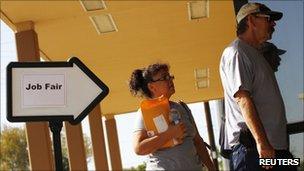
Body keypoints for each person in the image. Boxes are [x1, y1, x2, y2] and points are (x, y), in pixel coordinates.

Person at [219, 2, 296, 171]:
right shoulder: (237, 52)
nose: (273, 24)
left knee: (293, 163)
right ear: (251, 20)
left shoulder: (255, 54)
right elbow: (242, 98)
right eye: (268, 19)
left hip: (274, 151)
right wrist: (262, 143)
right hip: (255, 152)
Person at [129, 63, 215, 170]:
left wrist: (212, 168)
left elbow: (197, 141)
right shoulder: (144, 112)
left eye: (170, 76)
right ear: (151, 87)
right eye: (165, 77)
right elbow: (139, 148)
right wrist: (169, 134)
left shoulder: (182, 107)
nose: (170, 80)